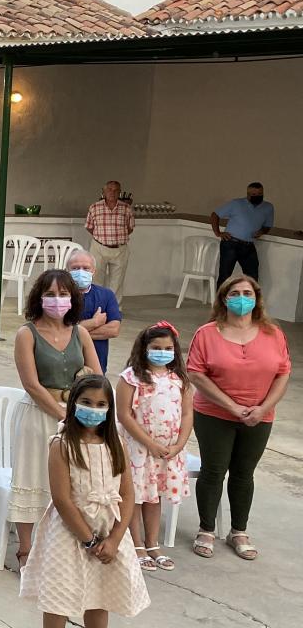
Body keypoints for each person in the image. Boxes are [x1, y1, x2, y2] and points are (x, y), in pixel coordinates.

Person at [19, 374, 149, 628]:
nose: (94, 410)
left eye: (101, 405)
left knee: (99, 601)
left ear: (110, 409)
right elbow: (63, 499)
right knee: (59, 600)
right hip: (70, 533)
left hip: (110, 533)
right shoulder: (61, 444)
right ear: (73, 403)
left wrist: (116, 538)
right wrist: (89, 540)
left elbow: (128, 493)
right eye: (86, 403)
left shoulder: (115, 443)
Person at [186, 274, 291, 561]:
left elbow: (283, 372)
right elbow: (196, 373)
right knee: (213, 470)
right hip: (214, 414)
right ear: (224, 299)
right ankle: (206, 529)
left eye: (248, 292)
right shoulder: (207, 333)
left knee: (244, 473)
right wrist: (232, 407)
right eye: (235, 293)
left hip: (260, 416)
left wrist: (263, 407)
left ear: (256, 298)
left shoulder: (273, 333)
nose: (242, 298)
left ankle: (238, 531)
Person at [10, 270, 101, 568]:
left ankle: (62, 547)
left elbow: (98, 377)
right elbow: (32, 385)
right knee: (32, 476)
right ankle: (25, 551)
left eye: (63, 294)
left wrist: (81, 412)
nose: (57, 300)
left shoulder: (81, 333)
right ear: (39, 297)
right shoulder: (27, 333)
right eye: (50, 294)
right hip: (39, 416)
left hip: (77, 418)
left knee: (71, 484)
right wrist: (62, 414)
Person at [117, 322, 193, 572]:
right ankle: (136, 544)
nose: (162, 352)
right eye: (156, 347)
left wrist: (179, 444)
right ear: (144, 348)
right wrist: (149, 443)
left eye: (168, 348)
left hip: (167, 452)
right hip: (138, 449)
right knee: (136, 496)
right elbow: (125, 415)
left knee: (154, 496)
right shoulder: (131, 378)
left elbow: (186, 414)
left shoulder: (179, 379)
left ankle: (152, 544)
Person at [67, 250, 121, 371]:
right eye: (75, 268)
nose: (81, 272)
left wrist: (72, 334)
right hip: (66, 366)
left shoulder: (106, 295)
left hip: (97, 365)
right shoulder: (60, 297)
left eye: (86, 268)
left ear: (93, 271)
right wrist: (94, 323)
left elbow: (113, 330)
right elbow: (57, 330)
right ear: (68, 272)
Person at [211, 182, 274, 285]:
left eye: (260, 194)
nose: (257, 196)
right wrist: (218, 233)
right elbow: (215, 215)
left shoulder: (268, 207)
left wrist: (262, 231)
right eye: (254, 195)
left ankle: (248, 301)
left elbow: (268, 225)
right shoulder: (236, 203)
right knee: (225, 276)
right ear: (248, 194)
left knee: (252, 277)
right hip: (231, 243)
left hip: (249, 246)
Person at [83, 180, 134, 298]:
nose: (113, 192)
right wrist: (102, 238)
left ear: (120, 192)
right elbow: (89, 227)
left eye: (116, 190)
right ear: (104, 192)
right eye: (109, 190)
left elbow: (130, 228)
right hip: (99, 248)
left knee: (117, 282)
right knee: (96, 280)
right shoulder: (94, 207)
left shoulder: (126, 208)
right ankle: (97, 307)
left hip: (120, 250)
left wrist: (116, 237)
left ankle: (114, 308)